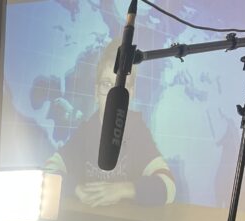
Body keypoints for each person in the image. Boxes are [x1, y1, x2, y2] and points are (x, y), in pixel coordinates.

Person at [45, 46, 175, 208]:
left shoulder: (138, 132)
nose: (114, 94)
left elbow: (169, 186)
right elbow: (49, 170)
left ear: (131, 94)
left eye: (122, 86)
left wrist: (124, 189)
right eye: (107, 84)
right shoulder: (85, 132)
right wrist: (76, 189)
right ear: (96, 92)